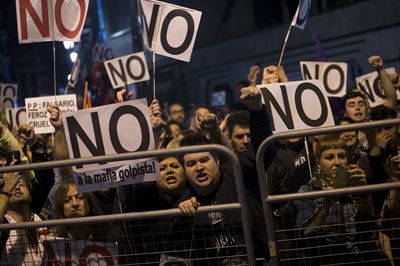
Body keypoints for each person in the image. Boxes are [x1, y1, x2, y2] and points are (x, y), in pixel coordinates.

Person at [294, 136, 385, 265]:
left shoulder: (356, 184)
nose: (337, 162)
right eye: (329, 157)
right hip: (325, 259)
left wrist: (363, 191)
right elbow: (307, 234)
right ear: (318, 162)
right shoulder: (307, 191)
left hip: (358, 257)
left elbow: (368, 226)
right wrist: (327, 203)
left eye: (342, 156)